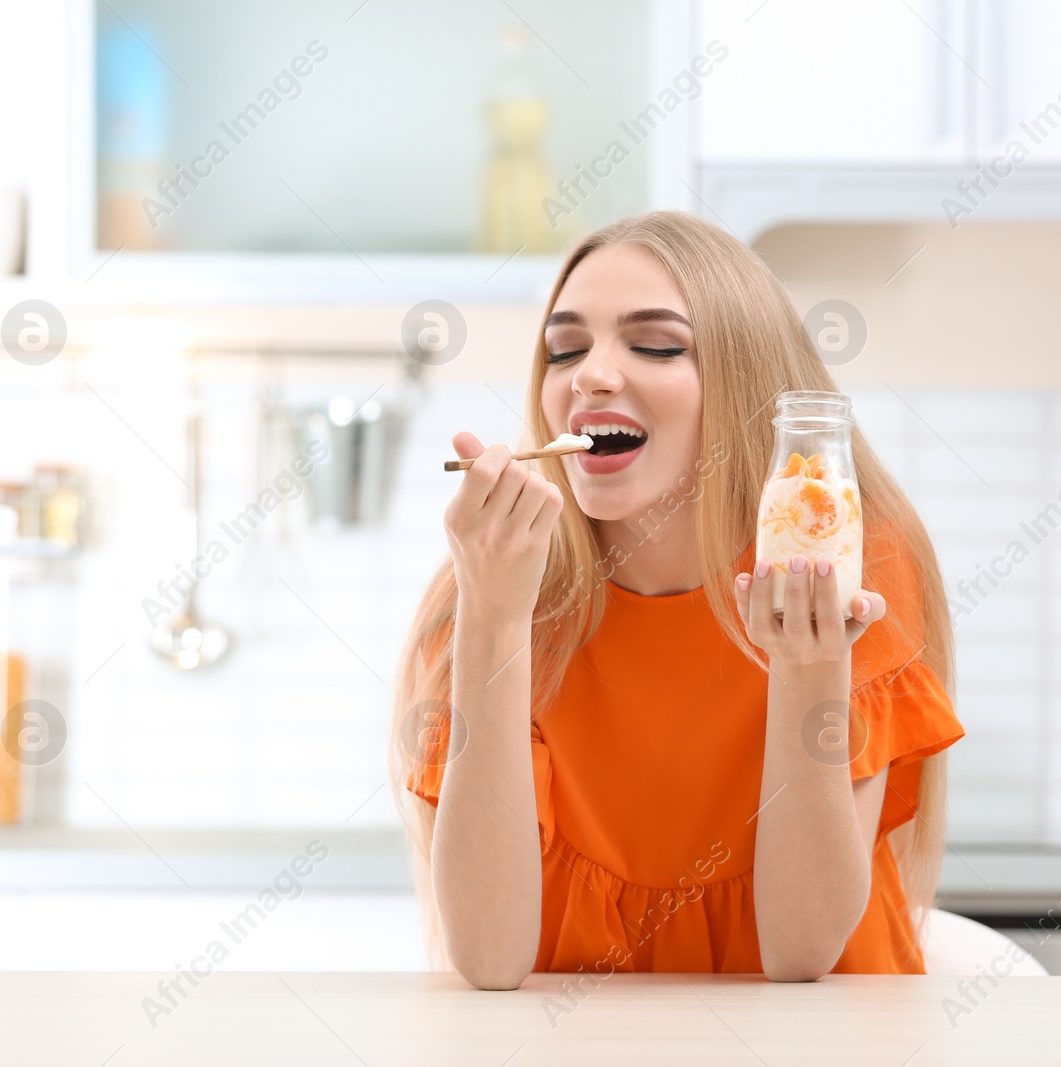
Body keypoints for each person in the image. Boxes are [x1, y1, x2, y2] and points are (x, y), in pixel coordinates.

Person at [392, 211, 963, 990]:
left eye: (654, 344)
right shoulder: (491, 581)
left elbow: (799, 951)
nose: (590, 374)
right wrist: (492, 622)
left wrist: (806, 668)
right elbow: (490, 959)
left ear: (748, 382)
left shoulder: (843, 560)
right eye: (565, 349)